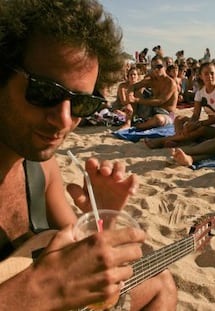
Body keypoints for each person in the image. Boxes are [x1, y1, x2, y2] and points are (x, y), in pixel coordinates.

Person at [0, 1, 177, 310]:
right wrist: (39, 290)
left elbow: (81, 254)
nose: (65, 120)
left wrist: (101, 216)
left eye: (82, 104)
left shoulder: (42, 168)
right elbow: (52, 284)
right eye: (45, 93)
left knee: (161, 283)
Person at [145, 62, 215, 149]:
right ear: (201, 76)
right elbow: (196, 115)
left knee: (201, 129)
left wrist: (198, 124)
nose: (209, 76)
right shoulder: (200, 93)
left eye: (212, 73)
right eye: (206, 74)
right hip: (209, 124)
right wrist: (191, 124)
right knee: (179, 119)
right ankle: (180, 140)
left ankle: (162, 140)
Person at [127, 55, 178, 130]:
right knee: (137, 92)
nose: (156, 69)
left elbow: (160, 101)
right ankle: (131, 121)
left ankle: (139, 126)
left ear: (165, 66)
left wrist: (136, 100)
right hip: (152, 110)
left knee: (159, 119)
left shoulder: (170, 83)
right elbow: (133, 86)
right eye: (153, 67)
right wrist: (130, 96)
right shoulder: (152, 79)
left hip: (166, 113)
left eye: (159, 66)